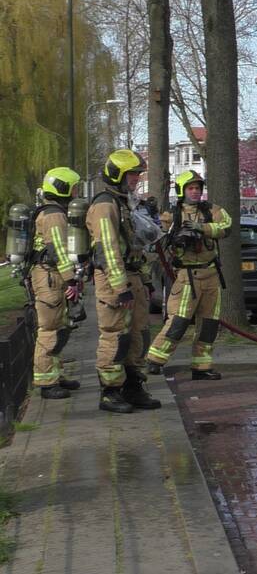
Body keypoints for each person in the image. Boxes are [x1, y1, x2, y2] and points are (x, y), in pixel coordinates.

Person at [86, 149, 161, 413]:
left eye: (138, 174)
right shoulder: (106, 205)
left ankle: (134, 386)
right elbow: (107, 249)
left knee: (139, 334)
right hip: (114, 281)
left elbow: (133, 247)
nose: (136, 179)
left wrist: (143, 279)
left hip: (132, 278)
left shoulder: (123, 202)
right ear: (117, 174)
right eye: (132, 174)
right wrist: (120, 288)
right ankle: (110, 391)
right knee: (115, 336)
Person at [146, 170, 231, 380]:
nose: (195, 192)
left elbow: (226, 226)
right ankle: (154, 360)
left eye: (198, 188)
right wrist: (151, 218)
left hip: (211, 274)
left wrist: (201, 228)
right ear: (182, 191)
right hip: (186, 276)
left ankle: (202, 367)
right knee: (178, 321)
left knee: (209, 324)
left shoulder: (213, 210)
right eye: (191, 188)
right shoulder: (172, 215)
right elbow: (153, 234)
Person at [28, 167, 84, 399]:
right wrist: (71, 279)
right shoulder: (54, 215)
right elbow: (58, 250)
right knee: (50, 329)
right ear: (62, 189)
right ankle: (46, 383)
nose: (76, 192)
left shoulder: (52, 212)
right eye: (73, 188)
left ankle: (54, 374)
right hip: (50, 276)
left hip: (51, 275)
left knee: (60, 327)